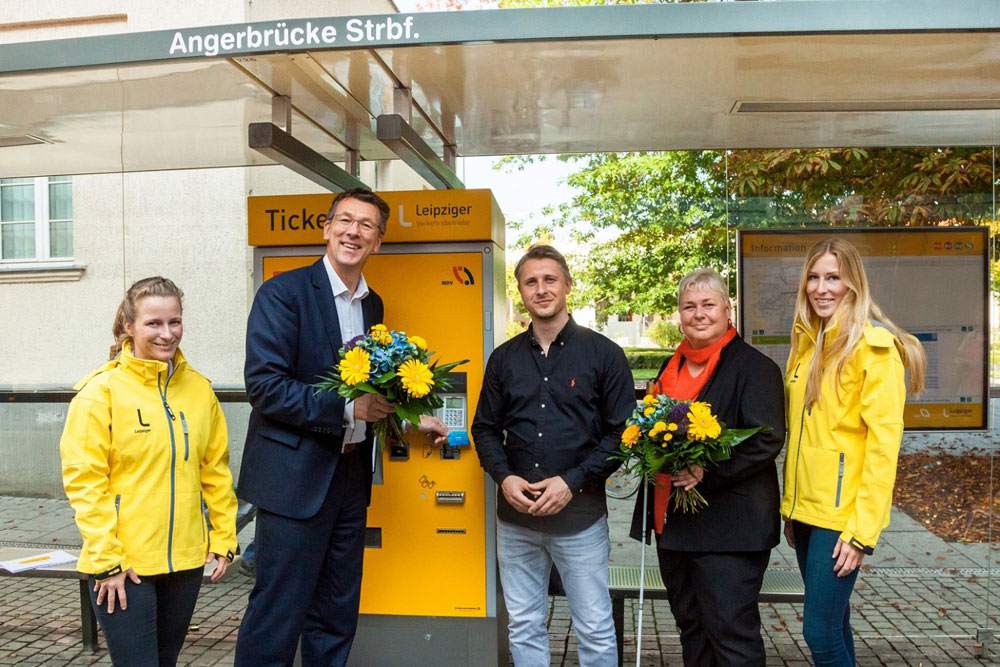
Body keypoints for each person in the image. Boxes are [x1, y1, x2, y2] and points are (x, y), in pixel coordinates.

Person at [234, 188, 448, 667]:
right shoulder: (283, 294)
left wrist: (409, 416)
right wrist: (351, 411)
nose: (354, 232)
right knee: (277, 613)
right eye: (345, 221)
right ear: (326, 228)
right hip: (293, 482)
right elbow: (265, 387)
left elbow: (370, 393)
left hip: (350, 479)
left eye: (366, 226)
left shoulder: (373, 307)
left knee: (336, 613)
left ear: (378, 241)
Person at [60, 276, 238, 666]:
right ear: (129, 326)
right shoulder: (100, 392)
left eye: (174, 322)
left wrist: (224, 535)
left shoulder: (198, 390)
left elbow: (214, 469)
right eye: (153, 323)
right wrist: (107, 561)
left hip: (185, 562)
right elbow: (85, 482)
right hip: (125, 565)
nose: (166, 333)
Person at [472, 244, 635, 667]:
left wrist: (571, 481)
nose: (541, 289)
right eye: (531, 281)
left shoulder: (604, 355)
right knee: (524, 624)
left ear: (567, 284)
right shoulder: (503, 359)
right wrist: (503, 477)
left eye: (549, 279)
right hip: (516, 521)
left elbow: (622, 434)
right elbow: (485, 428)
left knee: (595, 628)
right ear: (521, 291)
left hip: (580, 520)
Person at [629, 267, 786, 666]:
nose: (698, 314)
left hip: (730, 530)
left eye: (708, 305)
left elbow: (766, 438)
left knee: (730, 634)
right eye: (689, 306)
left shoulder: (755, 368)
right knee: (693, 631)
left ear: (727, 310)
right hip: (675, 527)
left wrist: (706, 471)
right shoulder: (671, 366)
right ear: (679, 315)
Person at [782, 237, 926, 667]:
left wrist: (862, 532)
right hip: (807, 514)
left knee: (818, 631)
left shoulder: (874, 348)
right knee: (835, 623)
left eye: (833, 278)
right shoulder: (808, 343)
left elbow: (884, 449)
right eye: (813, 277)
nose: (821, 288)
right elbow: (803, 438)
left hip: (842, 519)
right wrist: (792, 509)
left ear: (853, 284)